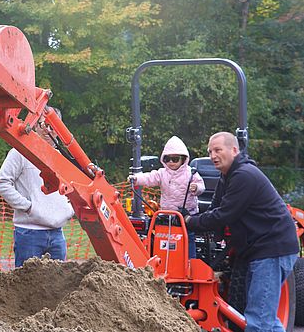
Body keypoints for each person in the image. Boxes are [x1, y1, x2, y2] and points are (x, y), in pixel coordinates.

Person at [184, 132, 299, 332]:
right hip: (262, 250)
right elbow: (215, 208)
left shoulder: (244, 176)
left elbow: (224, 214)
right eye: (210, 151)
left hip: (272, 249)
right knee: (266, 320)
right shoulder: (227, 176)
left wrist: (189, 222)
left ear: (234, 150)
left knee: (259, 320)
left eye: (218, 150)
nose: (213, 155)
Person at [0, 107, 74, 267]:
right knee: (26, 286)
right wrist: (28, 207)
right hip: (29, 233)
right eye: (44, 125)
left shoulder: (62, 158)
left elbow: (73, 188)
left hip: (57, 233)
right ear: (35, 126)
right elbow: (2, 183)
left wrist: (69, 210)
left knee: (58, 285)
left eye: (53, 127)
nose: (48, 131)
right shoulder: (20, 153)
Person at [128, 135, 205, 259]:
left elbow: (201, 186)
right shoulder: (162, 173)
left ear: (183, 159)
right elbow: (149, 178)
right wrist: (136, 179)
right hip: (167, 214)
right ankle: (163, 261)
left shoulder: (191, 173)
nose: (171, 162)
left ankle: (190, 263)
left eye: (175, 159)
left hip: (186, 214)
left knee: (188, 238)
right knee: (164, 238)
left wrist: (196, 188)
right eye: (168, 159)